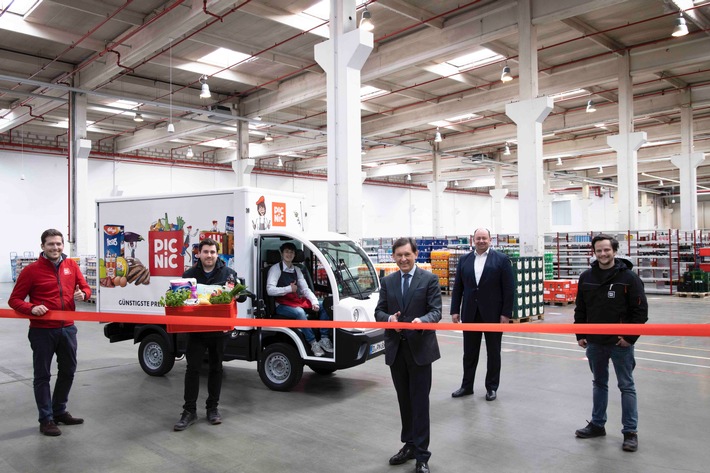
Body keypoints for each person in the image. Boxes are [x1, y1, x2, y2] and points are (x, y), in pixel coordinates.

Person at [8, 229, 91, 437]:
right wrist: (31, 308)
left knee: (68, 371)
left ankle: (59, 411)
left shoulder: (71, 266)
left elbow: (86, 287)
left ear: (64, 245)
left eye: (59, 244)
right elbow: (14, 300)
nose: (55, 248)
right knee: (42, 375)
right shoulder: (31, 271)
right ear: (42, 246)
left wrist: (84, 294)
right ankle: (46, 419)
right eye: (51, 244)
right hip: (42, 331)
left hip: (68, 328)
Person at [573, 234, 648, 452]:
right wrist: (580, 334)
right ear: (594, 253)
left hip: (620, 343)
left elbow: (640, 311)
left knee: (626, 386)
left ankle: (630, 432)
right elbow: (581, 308)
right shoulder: (586, 277)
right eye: (599, 250)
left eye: (607, 250)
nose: (603, 254)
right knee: (599, 383)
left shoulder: (629, 278)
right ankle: (597, 424)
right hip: (595, 342)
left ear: (614, 251)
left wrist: (630, 338)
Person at [375, 237, 441, 473]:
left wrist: (421, 321)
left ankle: (423, 455)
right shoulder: (388, 281)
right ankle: (409, 445)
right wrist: (389, 319)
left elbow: (436, 312)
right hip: (397, 350)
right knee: (405, 401)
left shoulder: (429, 280)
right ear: (393, 257)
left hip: (420, 350)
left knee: (420, 403)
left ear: (415, 255)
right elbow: (379, 311)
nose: (403, 259)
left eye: (407, 254)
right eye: (399, 255)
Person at [174, 238, 239, 431]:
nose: (209, 255)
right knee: (192, 369)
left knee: (216, 368)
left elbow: (241, 297)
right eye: (205, 252)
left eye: (212, 252)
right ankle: (189, 411)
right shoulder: (189, 275)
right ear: (198, 254)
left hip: (219, 331)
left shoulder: (228, 274)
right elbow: (181, 300)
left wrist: (237, 295)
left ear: (217, 254)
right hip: (196, 331)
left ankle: (213, 409)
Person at [450, 228, 514, 402]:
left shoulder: (501, 260)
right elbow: (458, 288)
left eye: (484, 238)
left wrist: (506, 314)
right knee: (469, 352)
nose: (481, 241)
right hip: (470, 313)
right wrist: (455, 309)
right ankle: (466, 386)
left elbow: (509, 289)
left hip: (494, 314)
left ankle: (492, 387)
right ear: (473, 240)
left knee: (494, 352)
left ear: (490, 240)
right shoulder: (464, 260)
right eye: (478, 238)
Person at [266, 242, 332, 357]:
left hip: (295, 301)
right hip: (281, 305)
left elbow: (305, 289)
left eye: (291, 252)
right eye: (287, 251)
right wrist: (289, 289)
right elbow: (270, 290)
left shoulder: (297, 270)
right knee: (299, 312)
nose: (289, 254)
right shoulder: (275, 269)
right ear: (282, 253)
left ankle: (324, 338)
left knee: (325, 304)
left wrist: (314, 301)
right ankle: (313, 342)